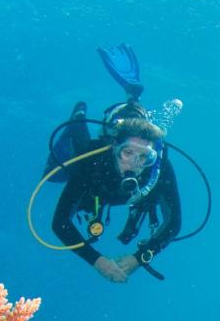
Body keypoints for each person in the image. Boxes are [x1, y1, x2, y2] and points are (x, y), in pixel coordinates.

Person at [51, 110, 182, 283]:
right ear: (115, 147)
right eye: (127, 153)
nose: (134, 164)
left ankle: (133, 104)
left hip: (114, 193)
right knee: (74, 153)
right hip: (97, 187)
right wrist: (97, 261)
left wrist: (139, 258)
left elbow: (174, 222)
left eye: (144, 156)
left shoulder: (159, 169)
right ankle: (79, 118)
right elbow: (60, 222)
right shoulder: (92, 163)